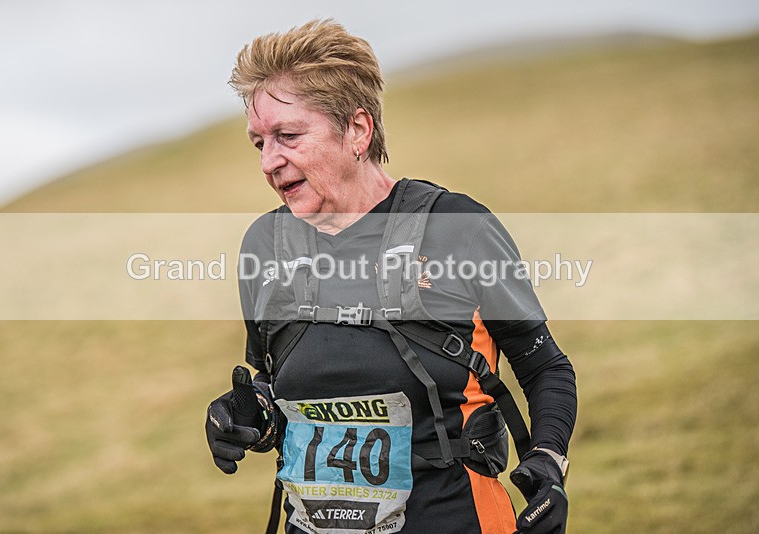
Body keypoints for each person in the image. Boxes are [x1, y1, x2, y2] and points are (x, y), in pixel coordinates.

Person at [206, 19, 577, 534]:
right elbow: (273, 386)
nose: (270, 162)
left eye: (287, 136)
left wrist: (549, 464)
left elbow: (546, 368)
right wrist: (250, 415)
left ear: (357, 129)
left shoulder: (454, 227)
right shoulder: (265, 246)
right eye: (258, 143)